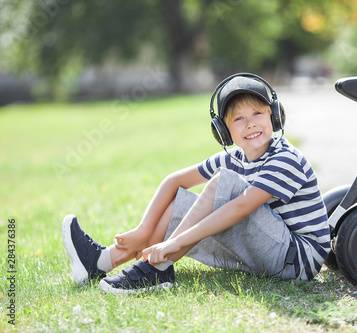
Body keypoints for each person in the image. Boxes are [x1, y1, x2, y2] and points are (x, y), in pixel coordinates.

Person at [62, 73, 330, 295]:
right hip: (271, 249)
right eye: (238, 119)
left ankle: (157, 266)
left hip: (296, 260)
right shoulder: (235, 156)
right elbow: (175, 181)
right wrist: (144, 231)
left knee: (225, 183)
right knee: (179, 205)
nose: (250, 124)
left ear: (273, 116)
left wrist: (173, 243)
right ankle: (105, 262)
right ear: (223, 131)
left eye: (257, 113)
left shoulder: (285, 158)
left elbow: (240, 208)